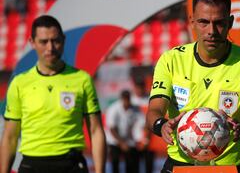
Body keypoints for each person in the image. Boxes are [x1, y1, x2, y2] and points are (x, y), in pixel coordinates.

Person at [146, 0, 240, 173]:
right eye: (204, 22)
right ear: (192, 22)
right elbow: (154, 110)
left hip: (228, 169)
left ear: (230, 23)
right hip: (179, 167)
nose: (211, 31)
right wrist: (161, 125)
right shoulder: (171, 59)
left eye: (219, 23)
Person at [0, 15, 106, 173]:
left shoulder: (82, 79)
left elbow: (96, 131)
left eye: (55, 41)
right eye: (43, 42)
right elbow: (10, 137)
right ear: (32, 43)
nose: (50, 48)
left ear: (63, 40)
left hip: (71, 165)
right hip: (32, 165)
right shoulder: (19, 83)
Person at [105, 90, 145, 173]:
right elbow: (112, 129)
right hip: (114, 141)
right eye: (125, 99)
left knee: (131, 164)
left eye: (128, 99)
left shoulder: (135, 109)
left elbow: (142, 123)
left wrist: (142, 139)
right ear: (122, 99)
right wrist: (121, 143)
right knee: (115, 163)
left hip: (128, 140)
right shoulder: (113, 108)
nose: (127, 101)